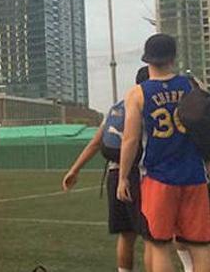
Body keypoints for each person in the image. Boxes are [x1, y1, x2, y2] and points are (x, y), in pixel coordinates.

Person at [118, 34, 210, 272]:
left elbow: (130, 139)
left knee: (159, 244)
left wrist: (122, 177)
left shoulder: (138, 93)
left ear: (147, 59)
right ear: (173, 57)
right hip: (194, 176)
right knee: (200, 246)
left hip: (159, 178)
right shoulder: (192, 85)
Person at [63, 67, 149, 272]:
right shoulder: (148, 105)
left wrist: (74, 170)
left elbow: (96, 142)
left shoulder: (116, 108)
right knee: (152, 238)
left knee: (126, 235)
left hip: (114, 173)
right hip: (140, 174)